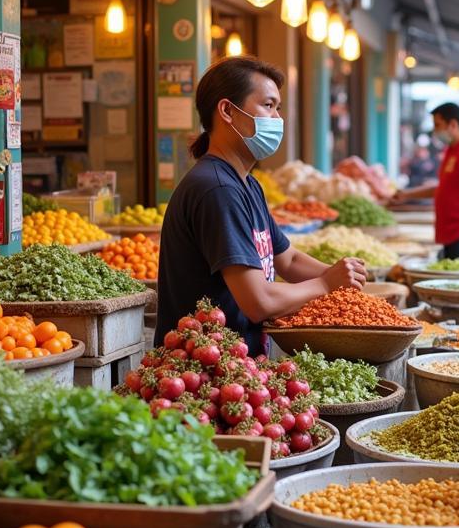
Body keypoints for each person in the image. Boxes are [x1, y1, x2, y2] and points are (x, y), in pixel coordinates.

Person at [155, 57, 366, 351]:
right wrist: (326, 284)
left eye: (278, 108)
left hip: (238, 366)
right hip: (204, 373)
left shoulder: (247, 184)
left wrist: (341, 276)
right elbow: (258, 302)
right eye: (268, 106)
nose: (278, 119)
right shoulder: (217, 189)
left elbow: (287, 260)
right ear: (227, 110)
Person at [392, 103, 459, 261]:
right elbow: (444, 187)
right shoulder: (451, 150)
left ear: (453, 124)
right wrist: (407, 194)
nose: (435, 130)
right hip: (448, 233)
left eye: (438, 125)